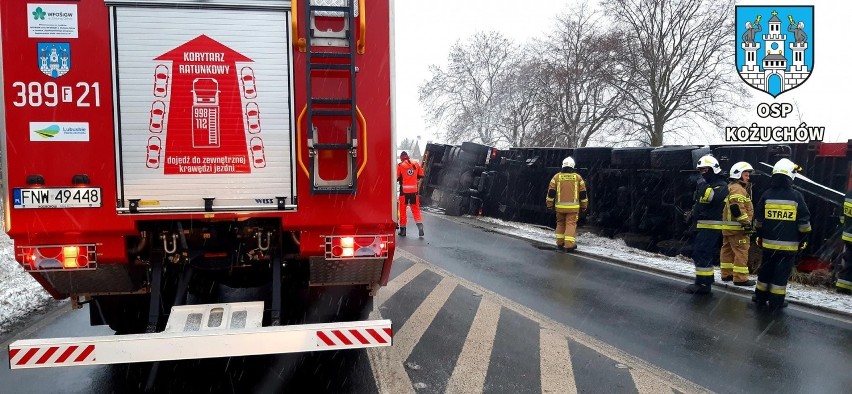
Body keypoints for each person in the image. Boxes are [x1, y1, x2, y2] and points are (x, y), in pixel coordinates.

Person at [753, 158, 811, 310]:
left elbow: (758, 221)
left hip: (768, 245)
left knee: (765, 270)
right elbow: (804, 222)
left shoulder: (767, 195)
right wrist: (804, 238)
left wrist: (759, 235)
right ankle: (776, 301)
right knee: (780, 273)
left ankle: (759, 297)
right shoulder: (797, 196)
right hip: (788, 247)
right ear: (790, 176)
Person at [685, 155, 729, 295]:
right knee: (700, 254)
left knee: (702, 253)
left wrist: (703, 185)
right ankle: (705, 281)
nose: (702, 174)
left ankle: (703, 284)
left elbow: (708, 200)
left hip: (711, 227)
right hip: (703, 226)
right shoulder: (711, 185)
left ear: (713, 169)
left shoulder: (721, 186)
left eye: (704, 170)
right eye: (701, 171)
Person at [720, 161, 756, 286]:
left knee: (727, 251)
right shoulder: (738, 189)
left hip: (728, 227)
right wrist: (746, 224)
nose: (748, 177)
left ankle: (726, 274)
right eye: (746, 175)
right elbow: (737, 208)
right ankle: (740, 278)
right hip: (738, 228)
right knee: (741, 252)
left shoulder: (730, 187)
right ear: (738, 175)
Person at [545, 157, 588, 252]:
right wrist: (584, 206)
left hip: (559, 207)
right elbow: (583, 194)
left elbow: (551, 193)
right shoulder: (578, 178)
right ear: (573, 166)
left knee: (560, 223)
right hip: (573, 208)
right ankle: (569, 245)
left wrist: (549, 205)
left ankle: (560, 243)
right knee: (570, 224)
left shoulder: (556, 177)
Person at [397, 151, 424, 237]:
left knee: (403, 211)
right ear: (407, 156)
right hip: (414, 192)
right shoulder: (416, 163)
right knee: (416, 210)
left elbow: (397, 178)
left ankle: (403, 230)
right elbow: (421, 175)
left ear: (401, 158)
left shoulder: (400, 166)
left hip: (404, 192)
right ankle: (420, 227)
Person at [836, 188, 852, 294]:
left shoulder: (849, 194)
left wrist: (847, 226)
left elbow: (842, 216)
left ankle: (842, 286)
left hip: (847, 235)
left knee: (849, 261)